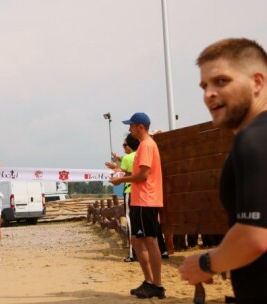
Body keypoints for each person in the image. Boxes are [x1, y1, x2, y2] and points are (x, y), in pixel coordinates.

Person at [178, 38, 267, 303]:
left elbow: (256, 236)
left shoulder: (254, 138)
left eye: (222, 81)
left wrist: (205, 263)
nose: (208, 94)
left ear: (257, 82)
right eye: (204, 86)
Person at [110, 113, 165, 299]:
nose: (130, 130)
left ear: (140, 127)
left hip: (145, 199)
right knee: (138, 240)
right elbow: (139, 172)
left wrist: (121, 180)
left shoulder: (147, 146)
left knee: (149, 241)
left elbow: (143, 176)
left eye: (131, 126)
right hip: (142, 199)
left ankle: (155, 283)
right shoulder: (145, 146)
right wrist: (122, 171)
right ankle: (150, 281)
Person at [106, 133, 169, 262]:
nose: (124, 147)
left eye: (124, 145)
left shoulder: (130, 157)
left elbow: (130, 173)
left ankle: (133, 254)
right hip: (150, 195)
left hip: (134, 192)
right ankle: (163, 250)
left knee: (133, 227)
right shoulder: (143, 153)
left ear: (129, 146)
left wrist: (117, 171)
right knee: (153, 227)